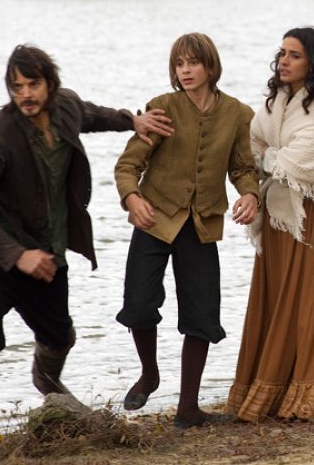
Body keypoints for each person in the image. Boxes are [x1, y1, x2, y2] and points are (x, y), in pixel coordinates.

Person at [0, 44, 174, 453]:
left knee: (58, 335)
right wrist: (17, 255)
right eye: (16, 86)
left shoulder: (65, 107)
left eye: (33, 84)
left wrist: (132, 120)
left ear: (50, 84)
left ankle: (47, 381)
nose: (25, 94)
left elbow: (91, 114)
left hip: (48, 251)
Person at [114, 33, 261, 429]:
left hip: (202, 224)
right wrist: (132, 199)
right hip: (154, 220)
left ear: (210, 66)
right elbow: (128, 166)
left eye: (193, 62)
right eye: (179, 64)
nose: (185, 70)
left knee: (201, 315)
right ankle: (149, 374)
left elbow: (243, 168)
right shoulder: (162, 107)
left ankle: (188, 409)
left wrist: (250, 194)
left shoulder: (238, 114)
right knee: (138, 305)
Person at [225, 27, 314, 422]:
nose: (284, 61)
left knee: (312, 303)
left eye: (295, 55)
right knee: (278, 300)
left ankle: (313, 392)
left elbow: (298, 162)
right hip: (282, 216)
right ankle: (274, 389)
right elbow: (250, 146)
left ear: (313, 63)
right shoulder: (275, 103)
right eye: (282, 53)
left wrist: (269, 156)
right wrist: (267, 159)